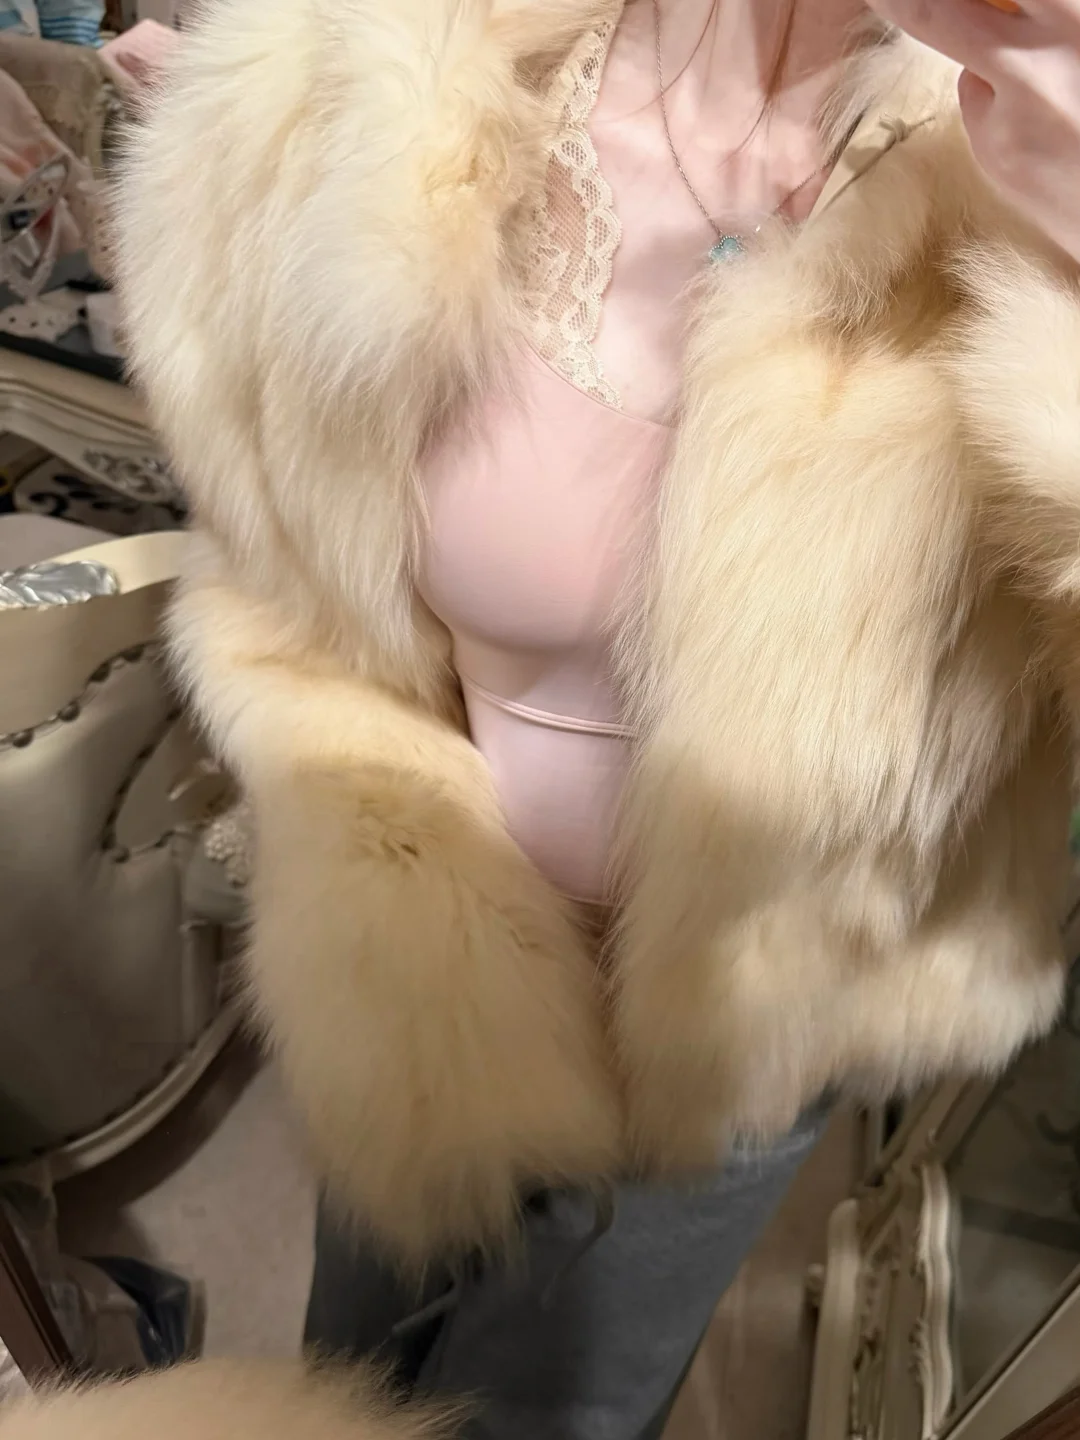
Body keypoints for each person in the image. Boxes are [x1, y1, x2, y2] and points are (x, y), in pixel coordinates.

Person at [108, 1, 1080, 1437]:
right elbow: (283, 571)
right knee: (347, 1365)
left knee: (563, 1409)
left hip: (761, 1010)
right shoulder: (404, 74)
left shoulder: (1016, 168)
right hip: (424, 942)